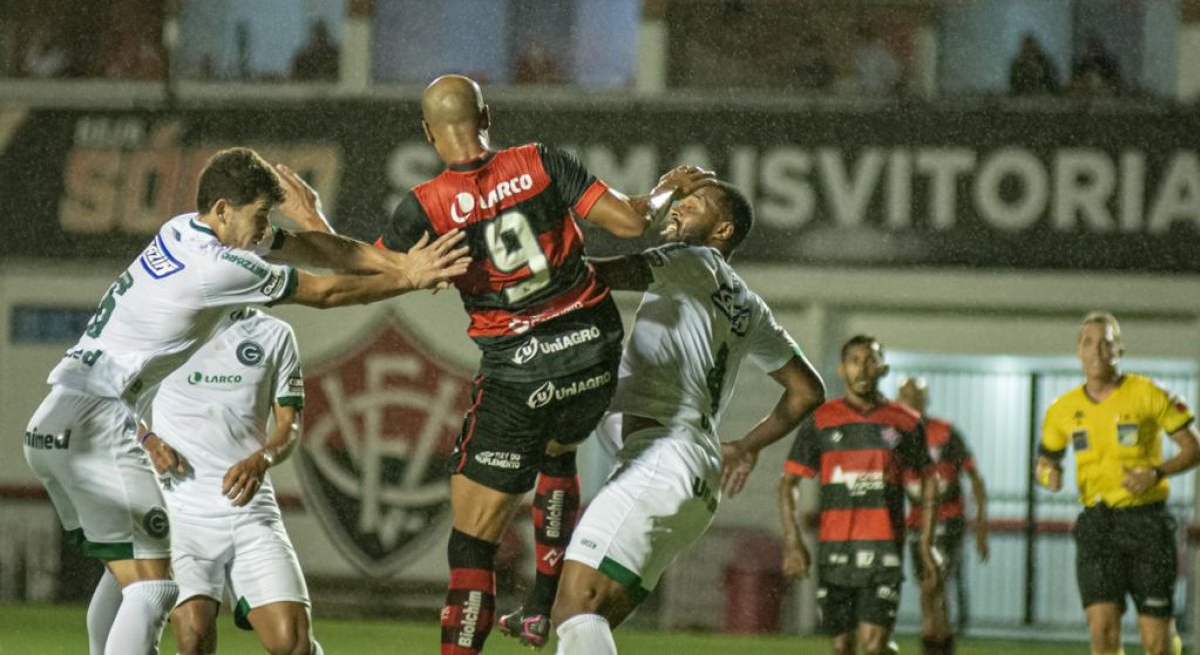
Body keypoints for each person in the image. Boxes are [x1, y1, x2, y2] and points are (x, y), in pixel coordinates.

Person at [23, 147, 469, 655]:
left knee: (125, 573)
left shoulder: (178, 229)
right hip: (99, 423)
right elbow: (324, 292)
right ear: (221, 210)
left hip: (53, 423)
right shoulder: (220, 270)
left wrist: (401, 261)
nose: (263, 231)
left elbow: (309, 247)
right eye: (258, 218)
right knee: (154, 587)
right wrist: (409, 277)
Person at [376, 74, 714, 655]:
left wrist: (313, 234)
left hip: (521, 369)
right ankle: (539, 609)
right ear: (486, 117)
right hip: (593, 349)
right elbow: (632, 223)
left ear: (428, 132)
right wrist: (662, 191)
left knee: (472, 544)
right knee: (558, 453)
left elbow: (375, 273)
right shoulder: (539, 162)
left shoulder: (425, 205)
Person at [545, 180, 827, 654]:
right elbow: (807, 391)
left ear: (723, 229)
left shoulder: (691, 262)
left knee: (576, 607)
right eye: (677, 205)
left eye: (691, 207)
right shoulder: (747, 305)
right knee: (583, 623)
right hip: (695, 473)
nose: (675, 212)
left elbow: (588, 275)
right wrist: (745, 446)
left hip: (660, 458)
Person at [133, 307, 319, 655]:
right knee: (193, 642)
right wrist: (149, 441)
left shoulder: (275, 333)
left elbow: (289, 426)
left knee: (294, 645)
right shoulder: (165, 324)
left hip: (251, 510)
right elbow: (112, 399)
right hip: (182, 514)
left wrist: (262, 458)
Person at [1036, 311, 1198, 655]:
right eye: (1089, 342)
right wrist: (1049, 475)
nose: (1097, 350)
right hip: (1097, 526)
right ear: (1079, 351)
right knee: (1102, 632)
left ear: (1119, 350)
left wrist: (1156, 472)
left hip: (1148, 524)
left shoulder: (1149, 394)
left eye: (1106, 343)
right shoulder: (1061, 410)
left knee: (1156, 639)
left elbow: (1193, 448)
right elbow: (1045, 461)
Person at [780, 336, 940, 655]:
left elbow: (929, 479)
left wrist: (926, 543)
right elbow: (788, 485)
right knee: (842, 646)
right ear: (842, 369)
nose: (862, 368)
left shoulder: (906, 422)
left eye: (871, 360)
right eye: (855, 360)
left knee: (873, 644)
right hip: (835, 550)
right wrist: (793, 542)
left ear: (884, 368)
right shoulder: (821, 421)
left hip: (884, 549)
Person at [897, 377, 989, 655]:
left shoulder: (946, 433)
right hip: (916, 522)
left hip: (949, 520)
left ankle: (932, 641)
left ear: (926, 399)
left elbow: (974, 478)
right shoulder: (894, 437)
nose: (910, 400)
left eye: (916, 395)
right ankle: (940, 641)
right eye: (905, 394)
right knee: (930, 588)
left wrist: (981, 525)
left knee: (934, 583)